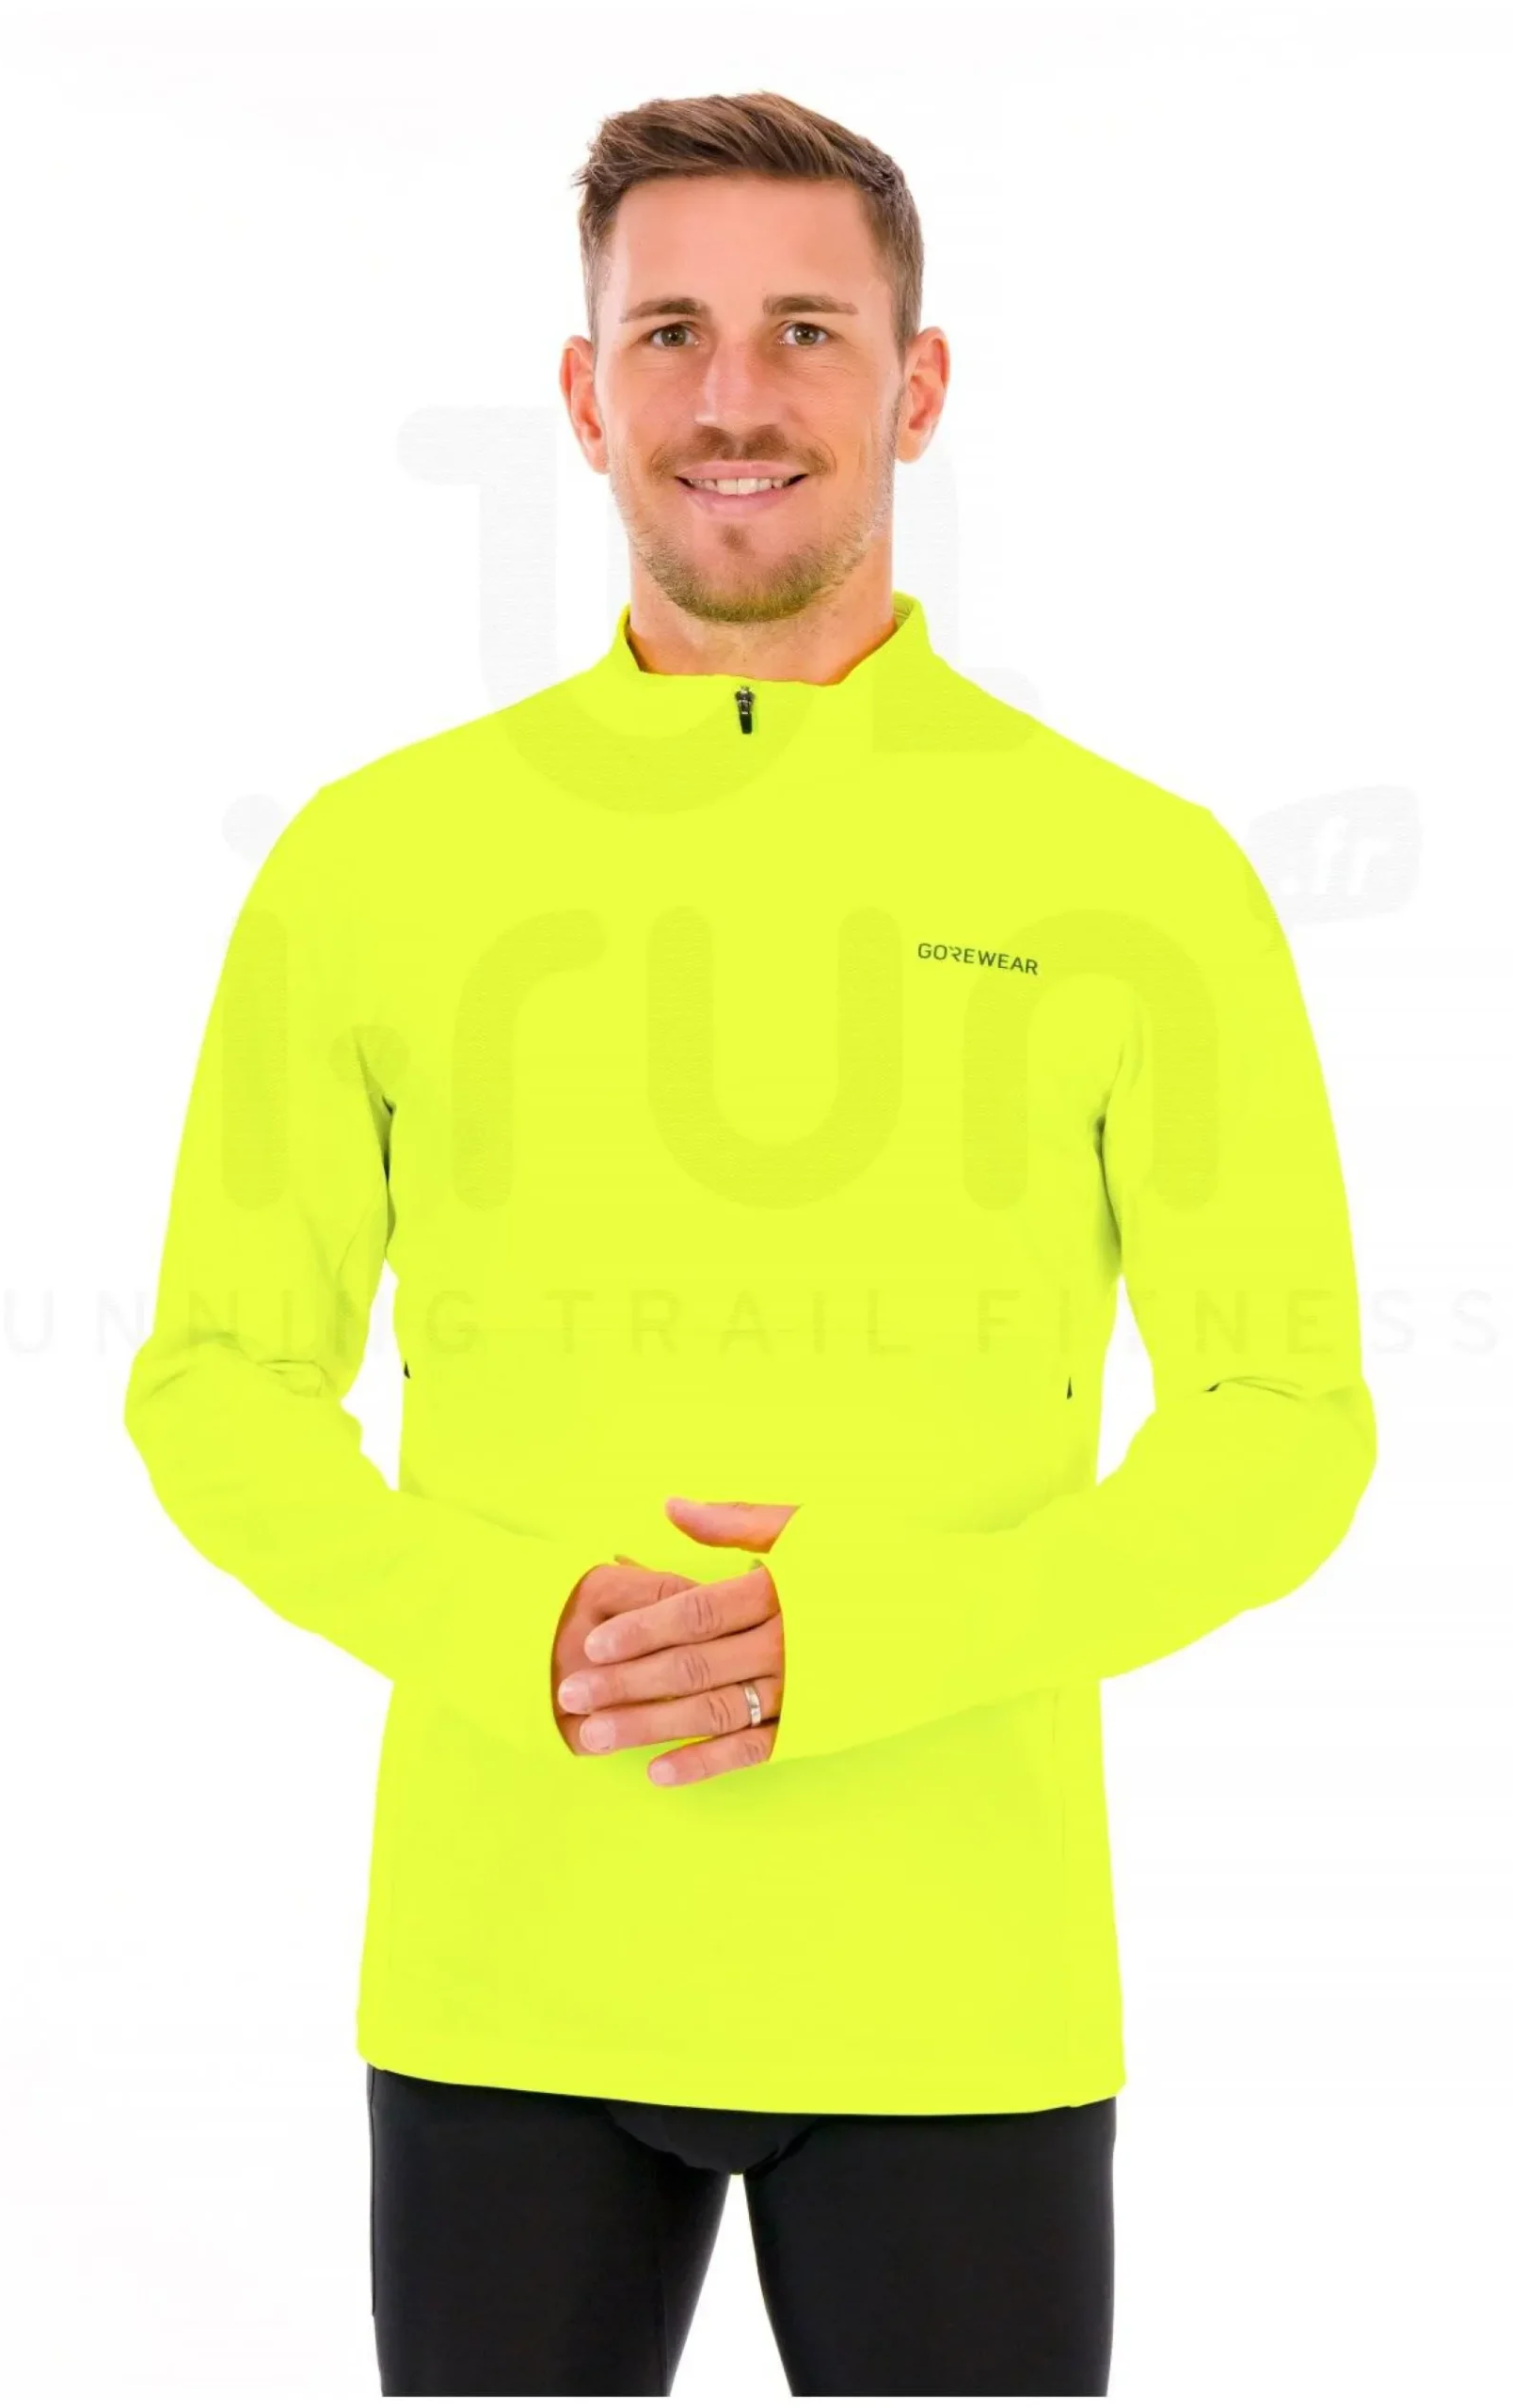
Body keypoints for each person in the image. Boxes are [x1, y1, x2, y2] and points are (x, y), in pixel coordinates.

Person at [123, 88, 1377, 2397]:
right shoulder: (376, 861)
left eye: (805, 329)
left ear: (916, 382)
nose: (733, 395)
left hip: (954, 1972)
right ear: (582, 387)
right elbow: (213, 1377)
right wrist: (515, 1629)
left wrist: (879, 1635)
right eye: (669, 332)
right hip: (507, 1958)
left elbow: (1283, 1418)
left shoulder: (1139, 873)